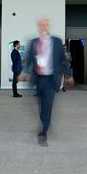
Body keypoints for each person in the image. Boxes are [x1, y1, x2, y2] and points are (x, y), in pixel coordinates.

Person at [23, 17, 74, 147]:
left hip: (51, 79)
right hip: (38, 79)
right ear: (38, 27)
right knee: (42, 106)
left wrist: (68, 75)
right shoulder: (34, 42)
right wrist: (25, 72)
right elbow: (28, 59)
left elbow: (63, 60)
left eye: (46, 24)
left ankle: (43, 133)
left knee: (47, 106)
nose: (44, 26)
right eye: (41, 24)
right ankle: (45, 122)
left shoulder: (57, 41)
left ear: (48, 26)